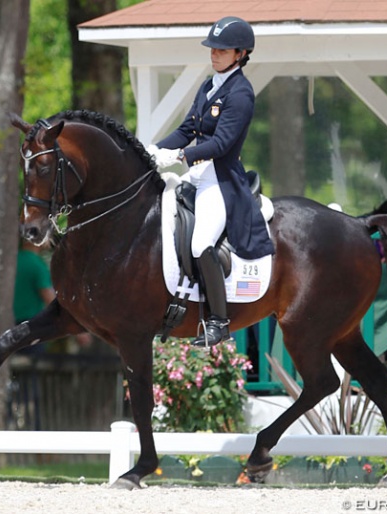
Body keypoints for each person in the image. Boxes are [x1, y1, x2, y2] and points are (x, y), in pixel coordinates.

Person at [149, 16, 275, 347]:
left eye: (222, 49)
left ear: (241, 53)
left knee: (200, 242)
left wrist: (178, 157)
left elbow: (221, 145)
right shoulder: (209, 86)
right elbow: (187, 129)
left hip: (221, 181)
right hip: (196, 175)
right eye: (213, 49)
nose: (215, 54)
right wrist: (151, 148)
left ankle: (218, 322)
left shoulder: (241, 93)